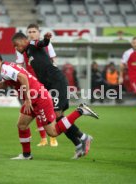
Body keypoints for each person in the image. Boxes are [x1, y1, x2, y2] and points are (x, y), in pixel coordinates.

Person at [0, 51, 99, 160]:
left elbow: (23, 78)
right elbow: (3, 84)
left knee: (53, 132)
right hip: (33, 99)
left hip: (39, 99)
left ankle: (80, 111)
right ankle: (26, 155)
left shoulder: (6, 68)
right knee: (21, 125)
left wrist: (27, 99)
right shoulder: (6, 70)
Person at [13, 29, 93, 159]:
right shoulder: (28, 52)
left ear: (23, 40)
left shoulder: (32, 45)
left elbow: (42, 43)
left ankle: (82, 125)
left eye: (16, 45)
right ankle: (79, 143)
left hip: (56, 82)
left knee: (56, 116)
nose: (16, 48)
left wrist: (46, 39)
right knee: (59, 118)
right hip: (49, 86)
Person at [16, 24, 58, 147]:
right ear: (26, 34)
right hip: (32, 82)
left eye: (34, 31)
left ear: (38, 33)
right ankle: (43, 138)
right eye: (29, 31)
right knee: (36, 109)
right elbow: (19, 65)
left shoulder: (46, 44)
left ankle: (53, 138)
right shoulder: (22, 47)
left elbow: (53, 60)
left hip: (46, 79)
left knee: (50, 108)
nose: (32, 33)